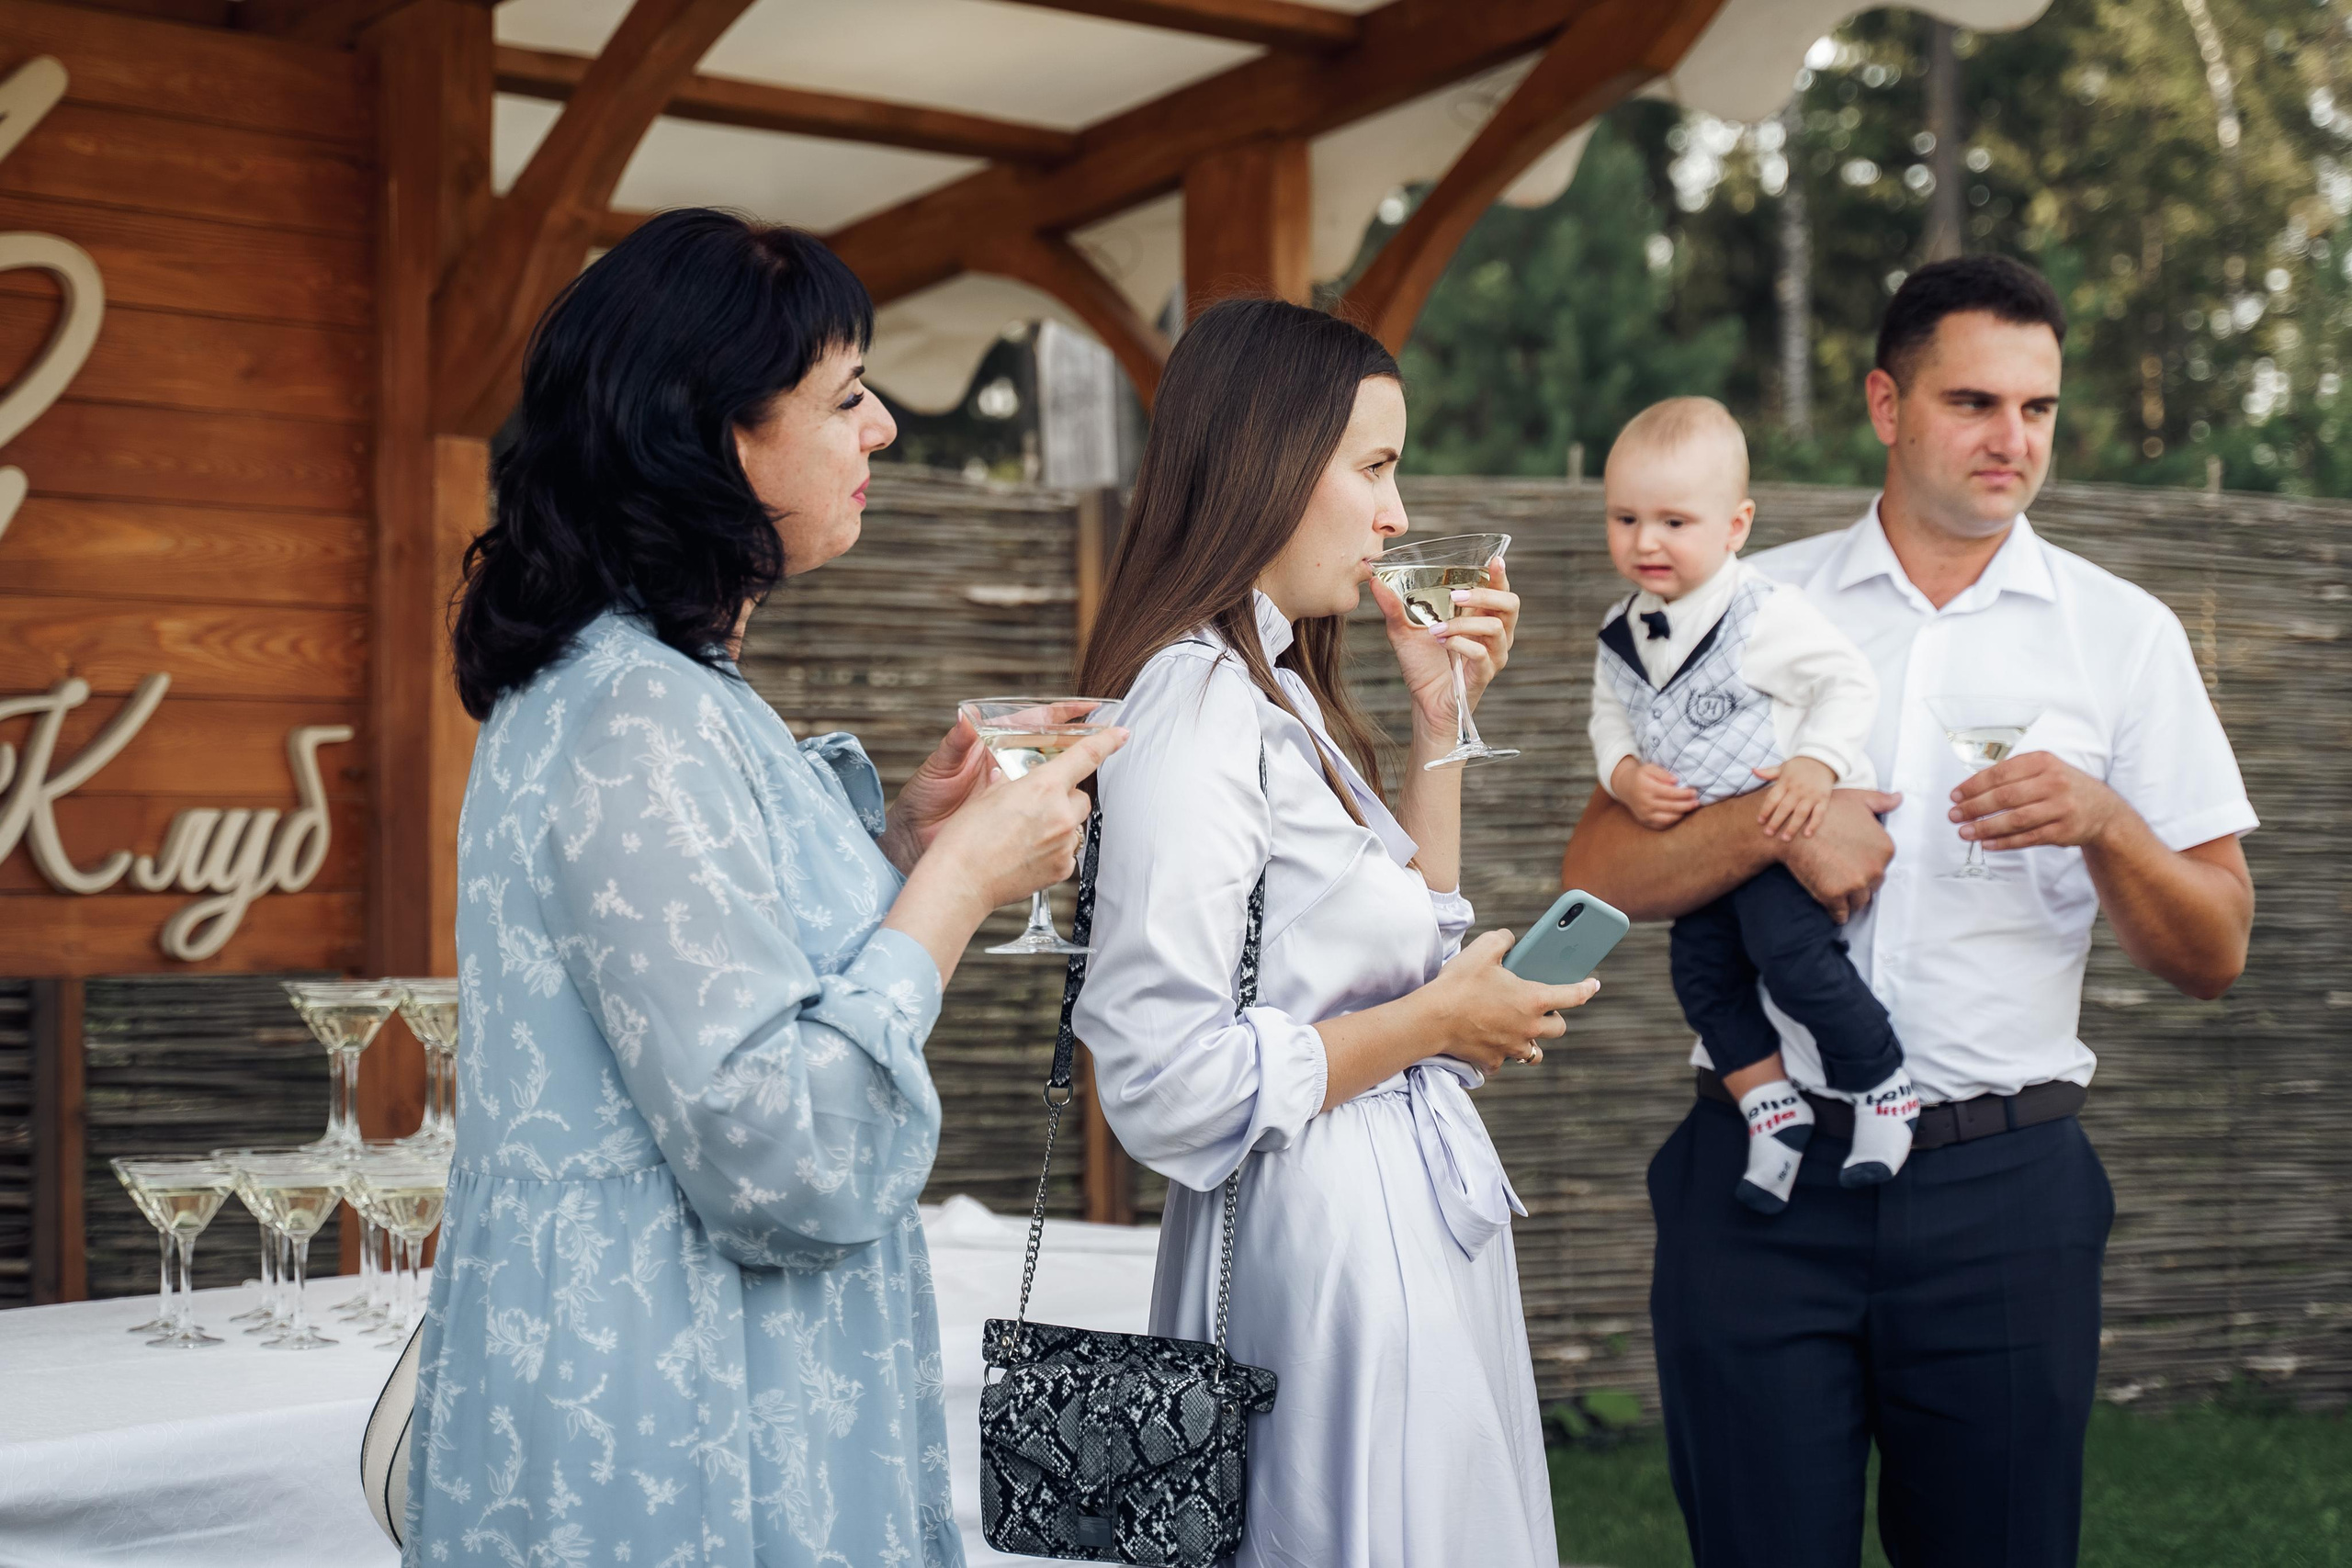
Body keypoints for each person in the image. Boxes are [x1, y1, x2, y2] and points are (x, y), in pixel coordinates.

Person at [412, 209, 1121, 1568]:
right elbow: (775, 1146)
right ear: (719, 437)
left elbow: (725, 970)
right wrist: (961, 887)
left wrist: (906, 843)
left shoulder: (656, 691)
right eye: (847, 397)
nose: (884, 430)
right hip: (677, 1422)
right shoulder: (637, 715)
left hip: (684, 1377)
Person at [1559, 254, 2256, 1568]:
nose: (2013, 440)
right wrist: (1774, 817)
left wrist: (2107, 821)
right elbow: (1597, 872)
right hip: (1761, 1189)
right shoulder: (1742, 606)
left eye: (2038, 408)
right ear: (1886, 403)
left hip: (2006, 1191)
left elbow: (2214, 946)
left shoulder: (2124, 635)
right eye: (1975, 401)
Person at [1070, 298, 1599, 1568]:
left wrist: (1439, 723)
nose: (1399, 514)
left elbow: (1407, 937)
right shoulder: (1196, 703)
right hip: (1322, 1245)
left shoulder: (1279, 691)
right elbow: (1161, 1075)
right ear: (1263, 462)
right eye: (1374, 466)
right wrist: (1436, 1023)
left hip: (1394, 1217)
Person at [1589, 396, 1915, 1212]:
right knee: (1700, 977)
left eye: (1674, 521)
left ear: (1735, 527)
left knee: (1791, 958)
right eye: (1625, 518)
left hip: (1790, 819)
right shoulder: (1622, 629)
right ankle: (1771, 1108)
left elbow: (1847, 681)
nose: (1645, 540)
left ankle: (1880, 1082)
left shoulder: (1764, 613)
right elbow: (1608, 717)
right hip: (1706, 845)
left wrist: (1816, 763)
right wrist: (1625, 775)